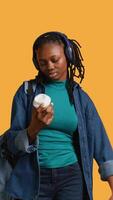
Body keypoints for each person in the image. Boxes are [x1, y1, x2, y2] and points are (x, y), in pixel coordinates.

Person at [1, 31, 113, 200]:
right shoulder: (26, 93)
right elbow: (12, 145)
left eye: (55, 60)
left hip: (71, 176)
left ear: (68, 56)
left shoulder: (81, 98)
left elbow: (100, 140)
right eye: (42, 62)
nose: (50, 66)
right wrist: (33, 129)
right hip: (34, 178)